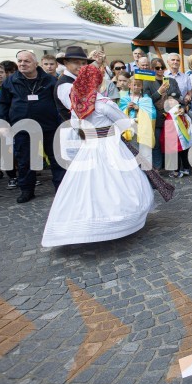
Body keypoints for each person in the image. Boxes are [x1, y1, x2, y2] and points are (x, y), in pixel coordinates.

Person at [41, 65, 155, 247]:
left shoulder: (77, 105)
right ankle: (118, 222)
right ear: (98, 81)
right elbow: (124, 123)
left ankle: (85, 224)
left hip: (89, 146)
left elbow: (75, 128)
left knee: (88, 186)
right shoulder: (104, 103)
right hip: (110, 144)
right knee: (117, 181)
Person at [0, 51, 66, 203]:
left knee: (57, 159)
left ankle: (61, 189)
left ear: (36, 64)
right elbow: (3, 104)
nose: (22, 64)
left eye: (26, 61)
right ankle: (27, 190)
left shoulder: (50, 80)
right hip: (22, 128)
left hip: (49, 127)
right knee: (25, 160)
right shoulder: (11, 81)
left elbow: (59, 103)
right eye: (20, 61)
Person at [161, 97, 192, 178]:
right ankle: (186, 169)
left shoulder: (175, 110)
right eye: (169, 100)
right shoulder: (180, 109)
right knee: (183, 152)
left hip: (177, 136)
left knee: (177, 153)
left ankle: (176, 172)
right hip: (182, 135)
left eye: (172, 100)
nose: (170, 101)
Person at [118, 78, 155, 147]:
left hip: (142, 128)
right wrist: (127, 109)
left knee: (143, 151)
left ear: (142, 86)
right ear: (129, 85)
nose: (136, 87)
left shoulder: (147, 99)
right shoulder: (124, 100)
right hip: (129, 129)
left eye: (138, 85)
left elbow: (152, 114)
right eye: (134, 85)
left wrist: (139, 109)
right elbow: (119, 114)